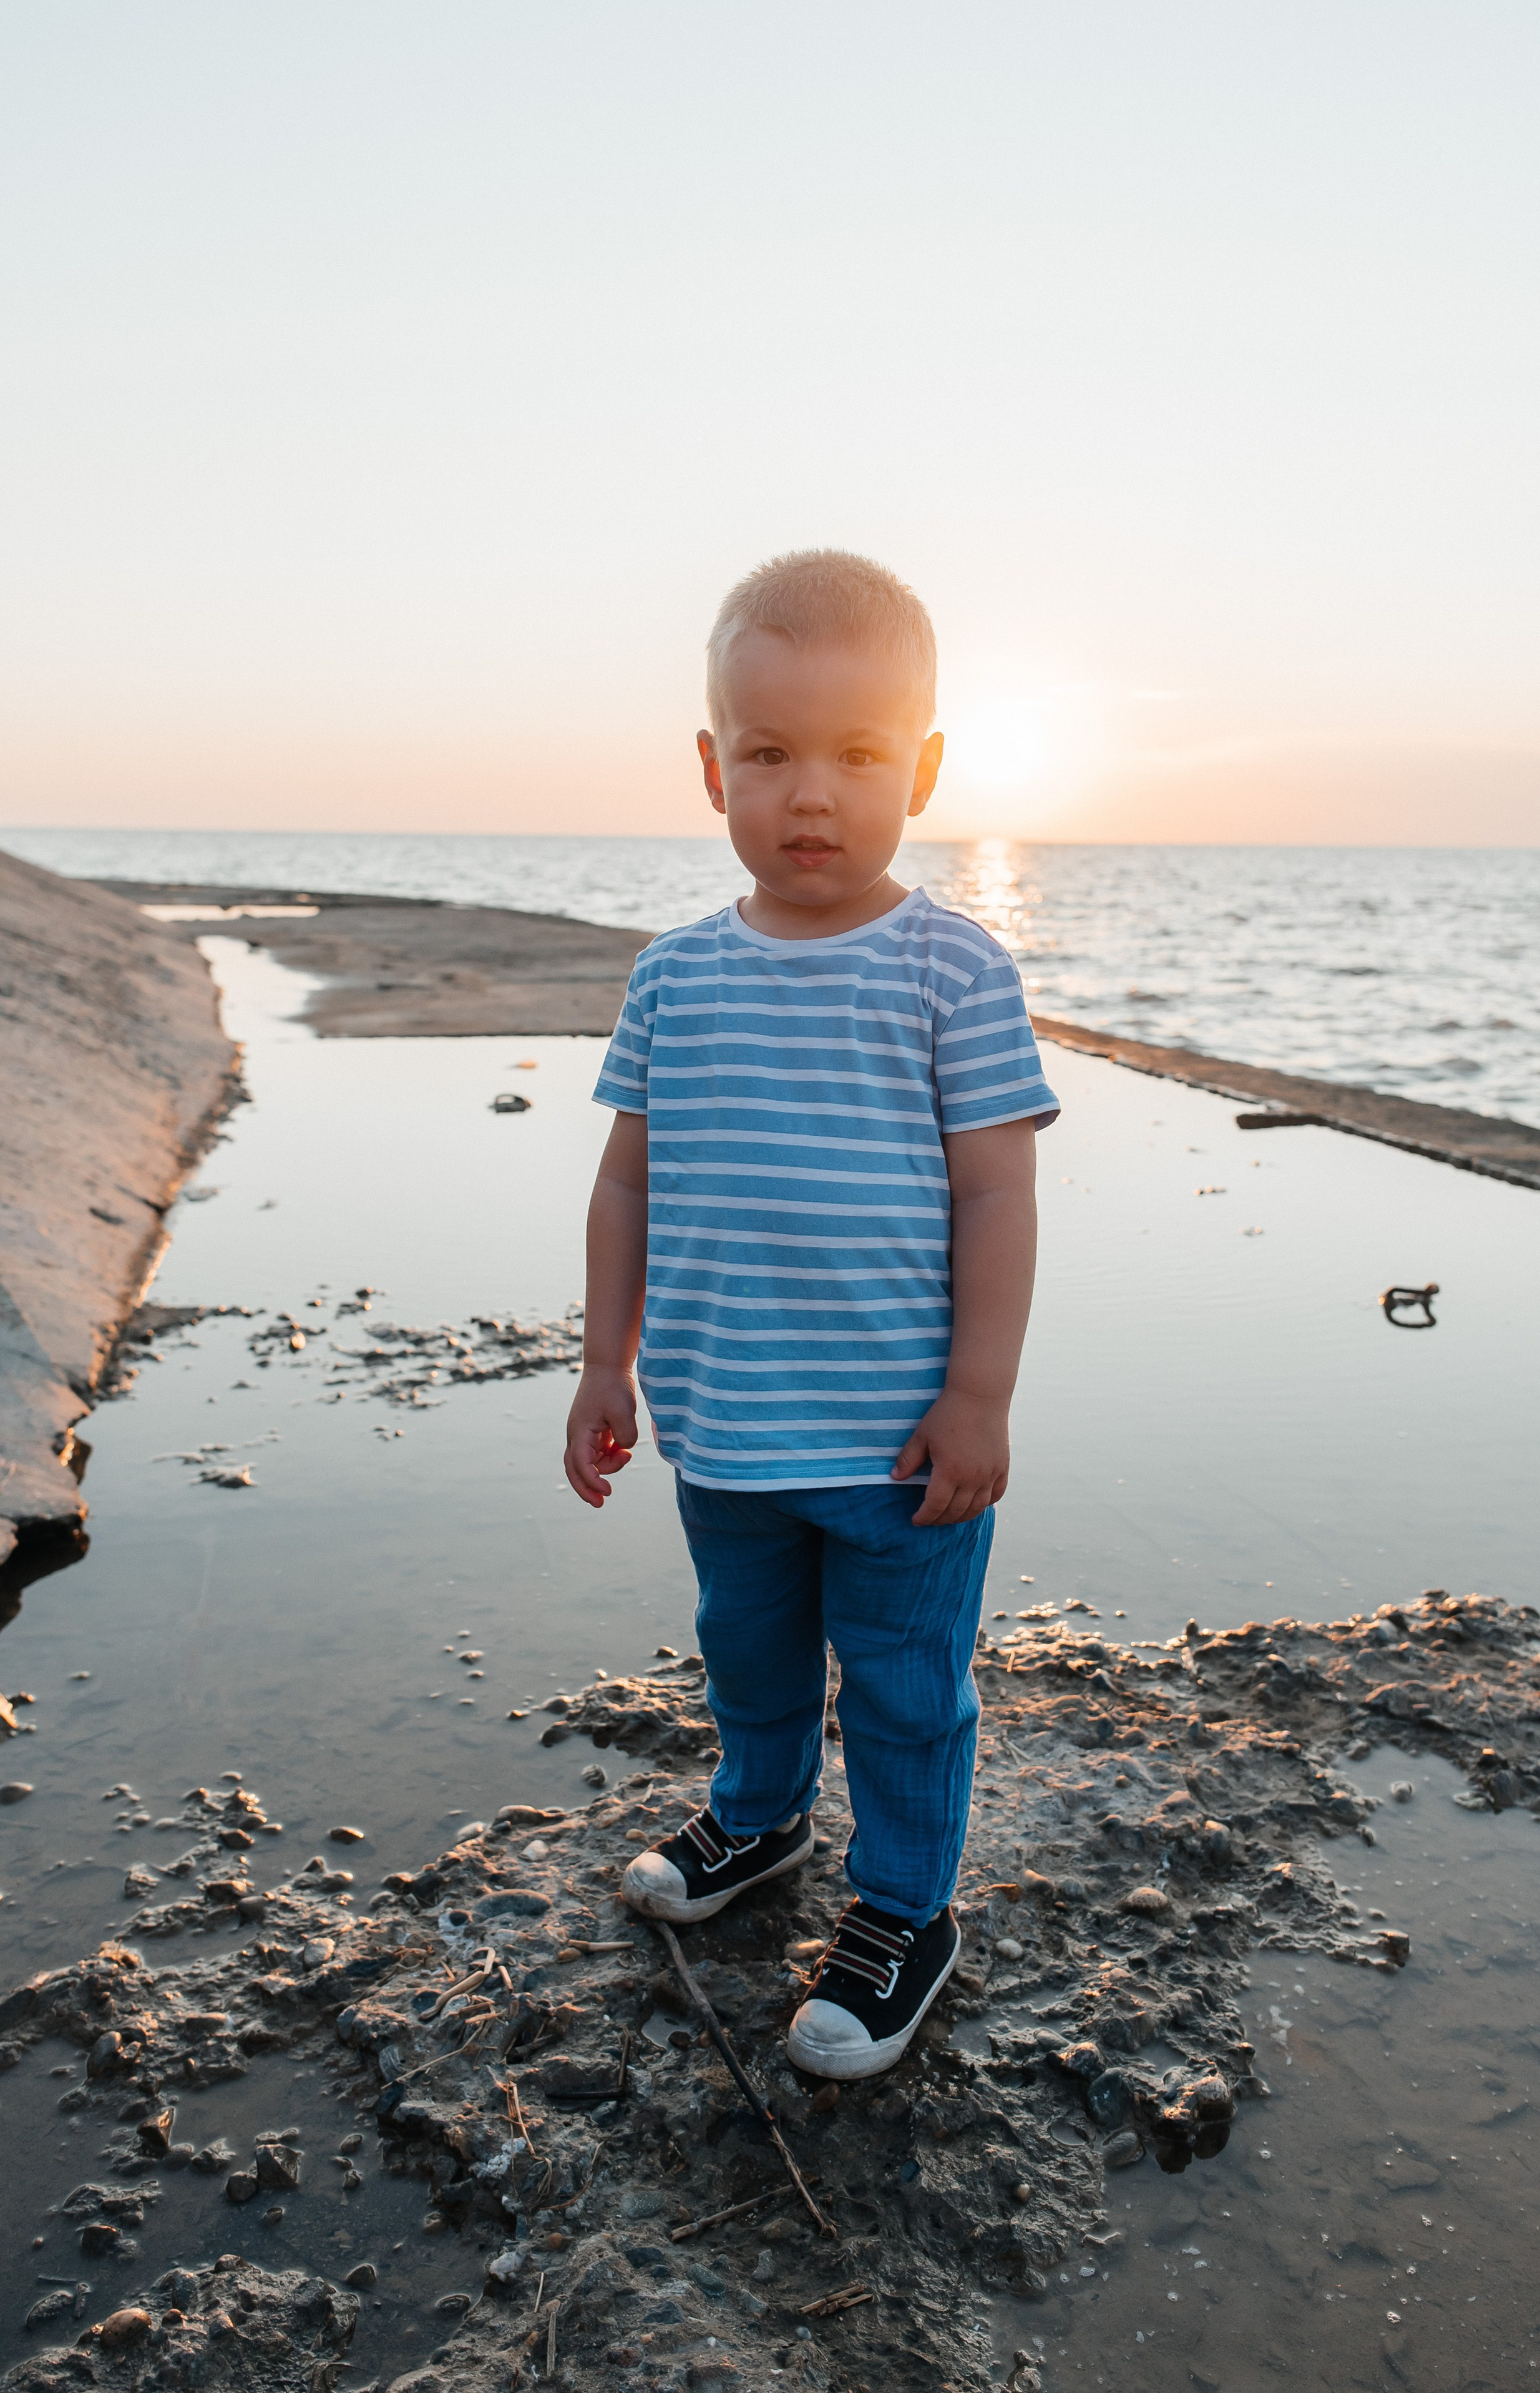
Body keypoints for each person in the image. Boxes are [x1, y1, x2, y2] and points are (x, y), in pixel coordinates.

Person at [563, 549, 1058, 2079]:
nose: (811, 796)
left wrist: (977, 1394)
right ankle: (762, 1814)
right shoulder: (673, 977)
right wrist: (604, 1357)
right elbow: (627, 1183)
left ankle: (905, 1910)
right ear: (714, 767)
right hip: (729, 1431)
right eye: (769, 754)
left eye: (854, 756)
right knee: (750, 1652)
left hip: (899, 1439)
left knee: (907, 1689)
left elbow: (995, 1196)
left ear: (918, 766)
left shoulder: (951, 971)